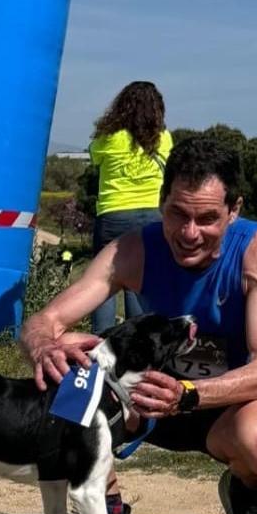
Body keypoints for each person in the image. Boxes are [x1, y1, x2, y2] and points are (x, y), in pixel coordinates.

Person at [21, 136, 257, 514]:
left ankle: (246, 495)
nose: (189, 233)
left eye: (207, 219)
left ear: (234, 211)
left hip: (225, 406)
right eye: (177, 214)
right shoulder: (132, 250)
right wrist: (43, 347)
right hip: (144, 403)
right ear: (161, 200)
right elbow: (43, 322)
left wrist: (187, 394)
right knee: (69, 368)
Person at [87, 81, 174, 334]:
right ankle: (140, 339)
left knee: (104, 279)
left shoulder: (108, 138)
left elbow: (94, 156)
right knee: (140, 280)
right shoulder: (164, 139)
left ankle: (100, 343)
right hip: (152, 216)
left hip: (113, 214)